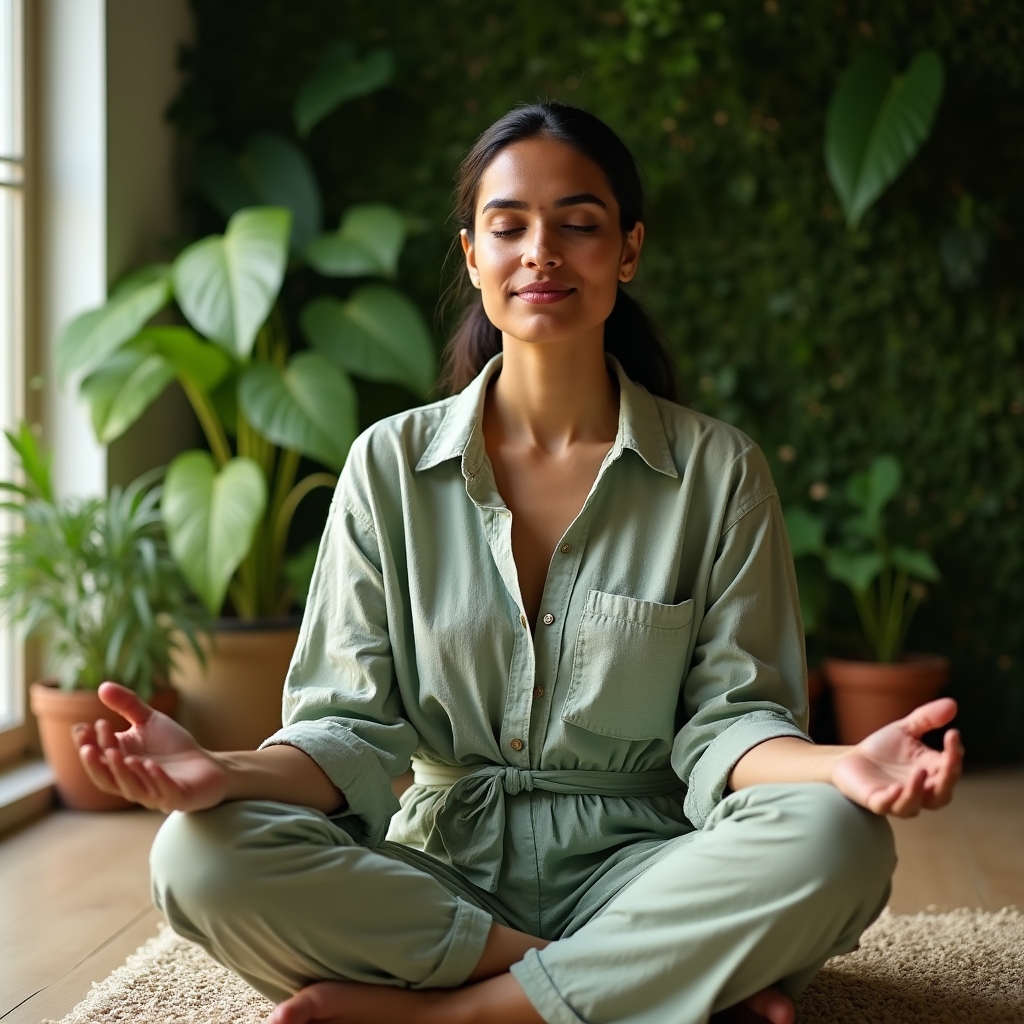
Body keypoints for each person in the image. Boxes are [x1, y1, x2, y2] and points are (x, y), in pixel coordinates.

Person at [73, 102, 963, 1024]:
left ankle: (457, 1015)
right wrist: (224, 772)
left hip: (644, 867)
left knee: (838, 841)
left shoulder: (718, 471)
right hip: (438, 882)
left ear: (627, 250)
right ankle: (647, 984)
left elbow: (733, 725)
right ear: (472, 255)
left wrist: (841, 766)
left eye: (579, 225)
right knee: (196, 857)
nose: (542, 252)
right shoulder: (388, 465)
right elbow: (349, 733)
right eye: (509, 226)